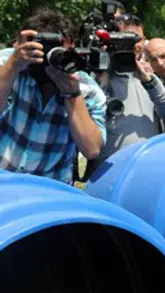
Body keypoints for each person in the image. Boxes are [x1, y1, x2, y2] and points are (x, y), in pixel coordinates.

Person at [0, 9, 105, 184]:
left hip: (49, 188)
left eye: (60, 51)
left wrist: (73, 95)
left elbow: (92, 149)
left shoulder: (87, 89)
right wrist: (13, 66)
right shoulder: (9, 62)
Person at [85, 15, 165, 176]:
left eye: (137, 39)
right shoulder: (98, 76)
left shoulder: (149, 76)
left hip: (148, 170)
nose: (134, 45)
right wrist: (103, 76)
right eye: (125, 39)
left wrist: (149, 81)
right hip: (108, 173)